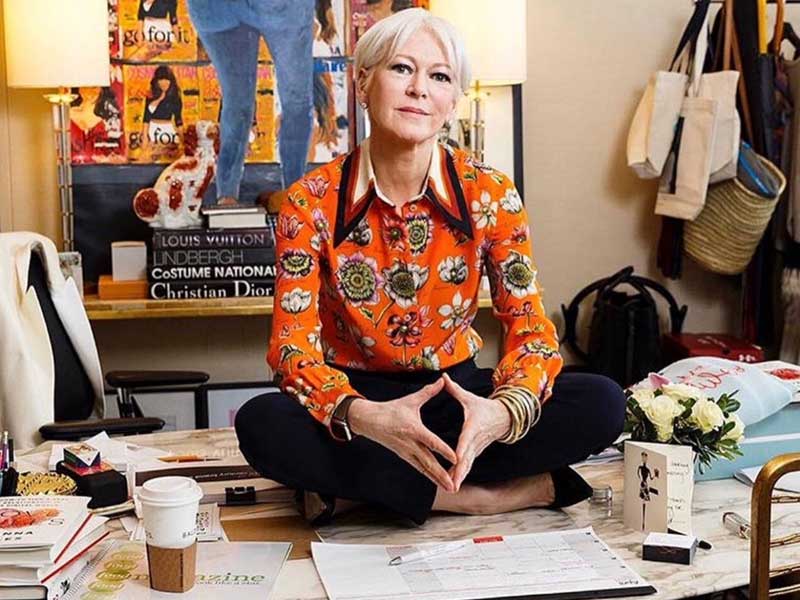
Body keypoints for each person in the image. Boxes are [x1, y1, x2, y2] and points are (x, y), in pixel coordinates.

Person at [235, 9, 626, 525]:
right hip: (359, 407)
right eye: (401, 69)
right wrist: (367, 416)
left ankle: (361, 492)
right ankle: (487, 496)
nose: (419, 89)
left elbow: (531, 328)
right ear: (364, 81)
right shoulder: (309, 202)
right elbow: (291, 350)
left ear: (452, 101)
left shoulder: (491, 193)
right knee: (262, 424)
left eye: (439, 76)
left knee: (602, 401)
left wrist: (500, 412)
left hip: (458, 399)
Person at [186, 0, 315, 205]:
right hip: (278, 9)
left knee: (237, 100)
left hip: (217, 10)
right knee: (295, 101)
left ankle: (227, 195)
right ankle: (294, 193)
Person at [141, 65, 183, 161]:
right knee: (152, 158)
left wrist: (182, 138)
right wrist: (144, 136)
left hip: (168, 129)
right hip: (153, 129)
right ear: (156, 81)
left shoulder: (175, 96)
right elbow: (146, 117)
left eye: (166, 80)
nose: (164, 83)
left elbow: (178, 119)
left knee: (170, 157)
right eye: (161, 80)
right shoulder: (151, 94)